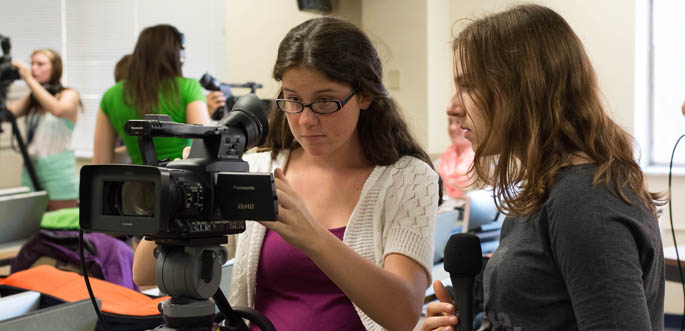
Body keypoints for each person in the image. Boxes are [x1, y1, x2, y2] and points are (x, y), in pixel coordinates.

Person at [133, 17, 441, 331]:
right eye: (293, 100)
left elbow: (402, 313)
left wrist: (313, 238)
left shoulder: (408, 179)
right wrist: (182, 190)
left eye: (324, 101)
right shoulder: (255, 170)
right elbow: (143, 273)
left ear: (365, 96)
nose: (306, 120)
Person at [423, 4, 664, 331]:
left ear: (521, 88)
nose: (453, 107)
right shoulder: (545, 188)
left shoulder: (586, 201)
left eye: (468, 86)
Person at [93, 24, 210, 165]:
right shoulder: (189, 88)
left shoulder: (111, 95)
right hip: (179, 182)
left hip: (138, 184)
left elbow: (101, 161)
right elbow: (205, 149)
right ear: (176, 55)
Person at [7, 49, 80, 211]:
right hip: (31, 167)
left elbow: (58, 110)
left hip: (58, 169)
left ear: (55, 67)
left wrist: (27, 78)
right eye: (32, 64)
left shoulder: (68, 94)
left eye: (40, 64)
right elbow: (8, 114)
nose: (34, 69)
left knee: (63, 225)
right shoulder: (32, 98)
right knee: (30, 225)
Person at [434, 94, 475, 212]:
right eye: (450, 122)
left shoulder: (485, 162)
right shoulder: (439, 163)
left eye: (458, 122)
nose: (452, 128)